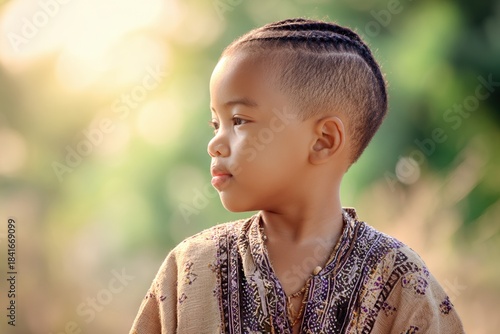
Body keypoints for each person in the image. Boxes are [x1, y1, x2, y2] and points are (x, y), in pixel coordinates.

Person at [129, 18, 464, 333]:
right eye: (216, 124)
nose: (215, 144)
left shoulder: (401, 280)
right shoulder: (190, 268)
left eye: (239, 121)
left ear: (323, 140)